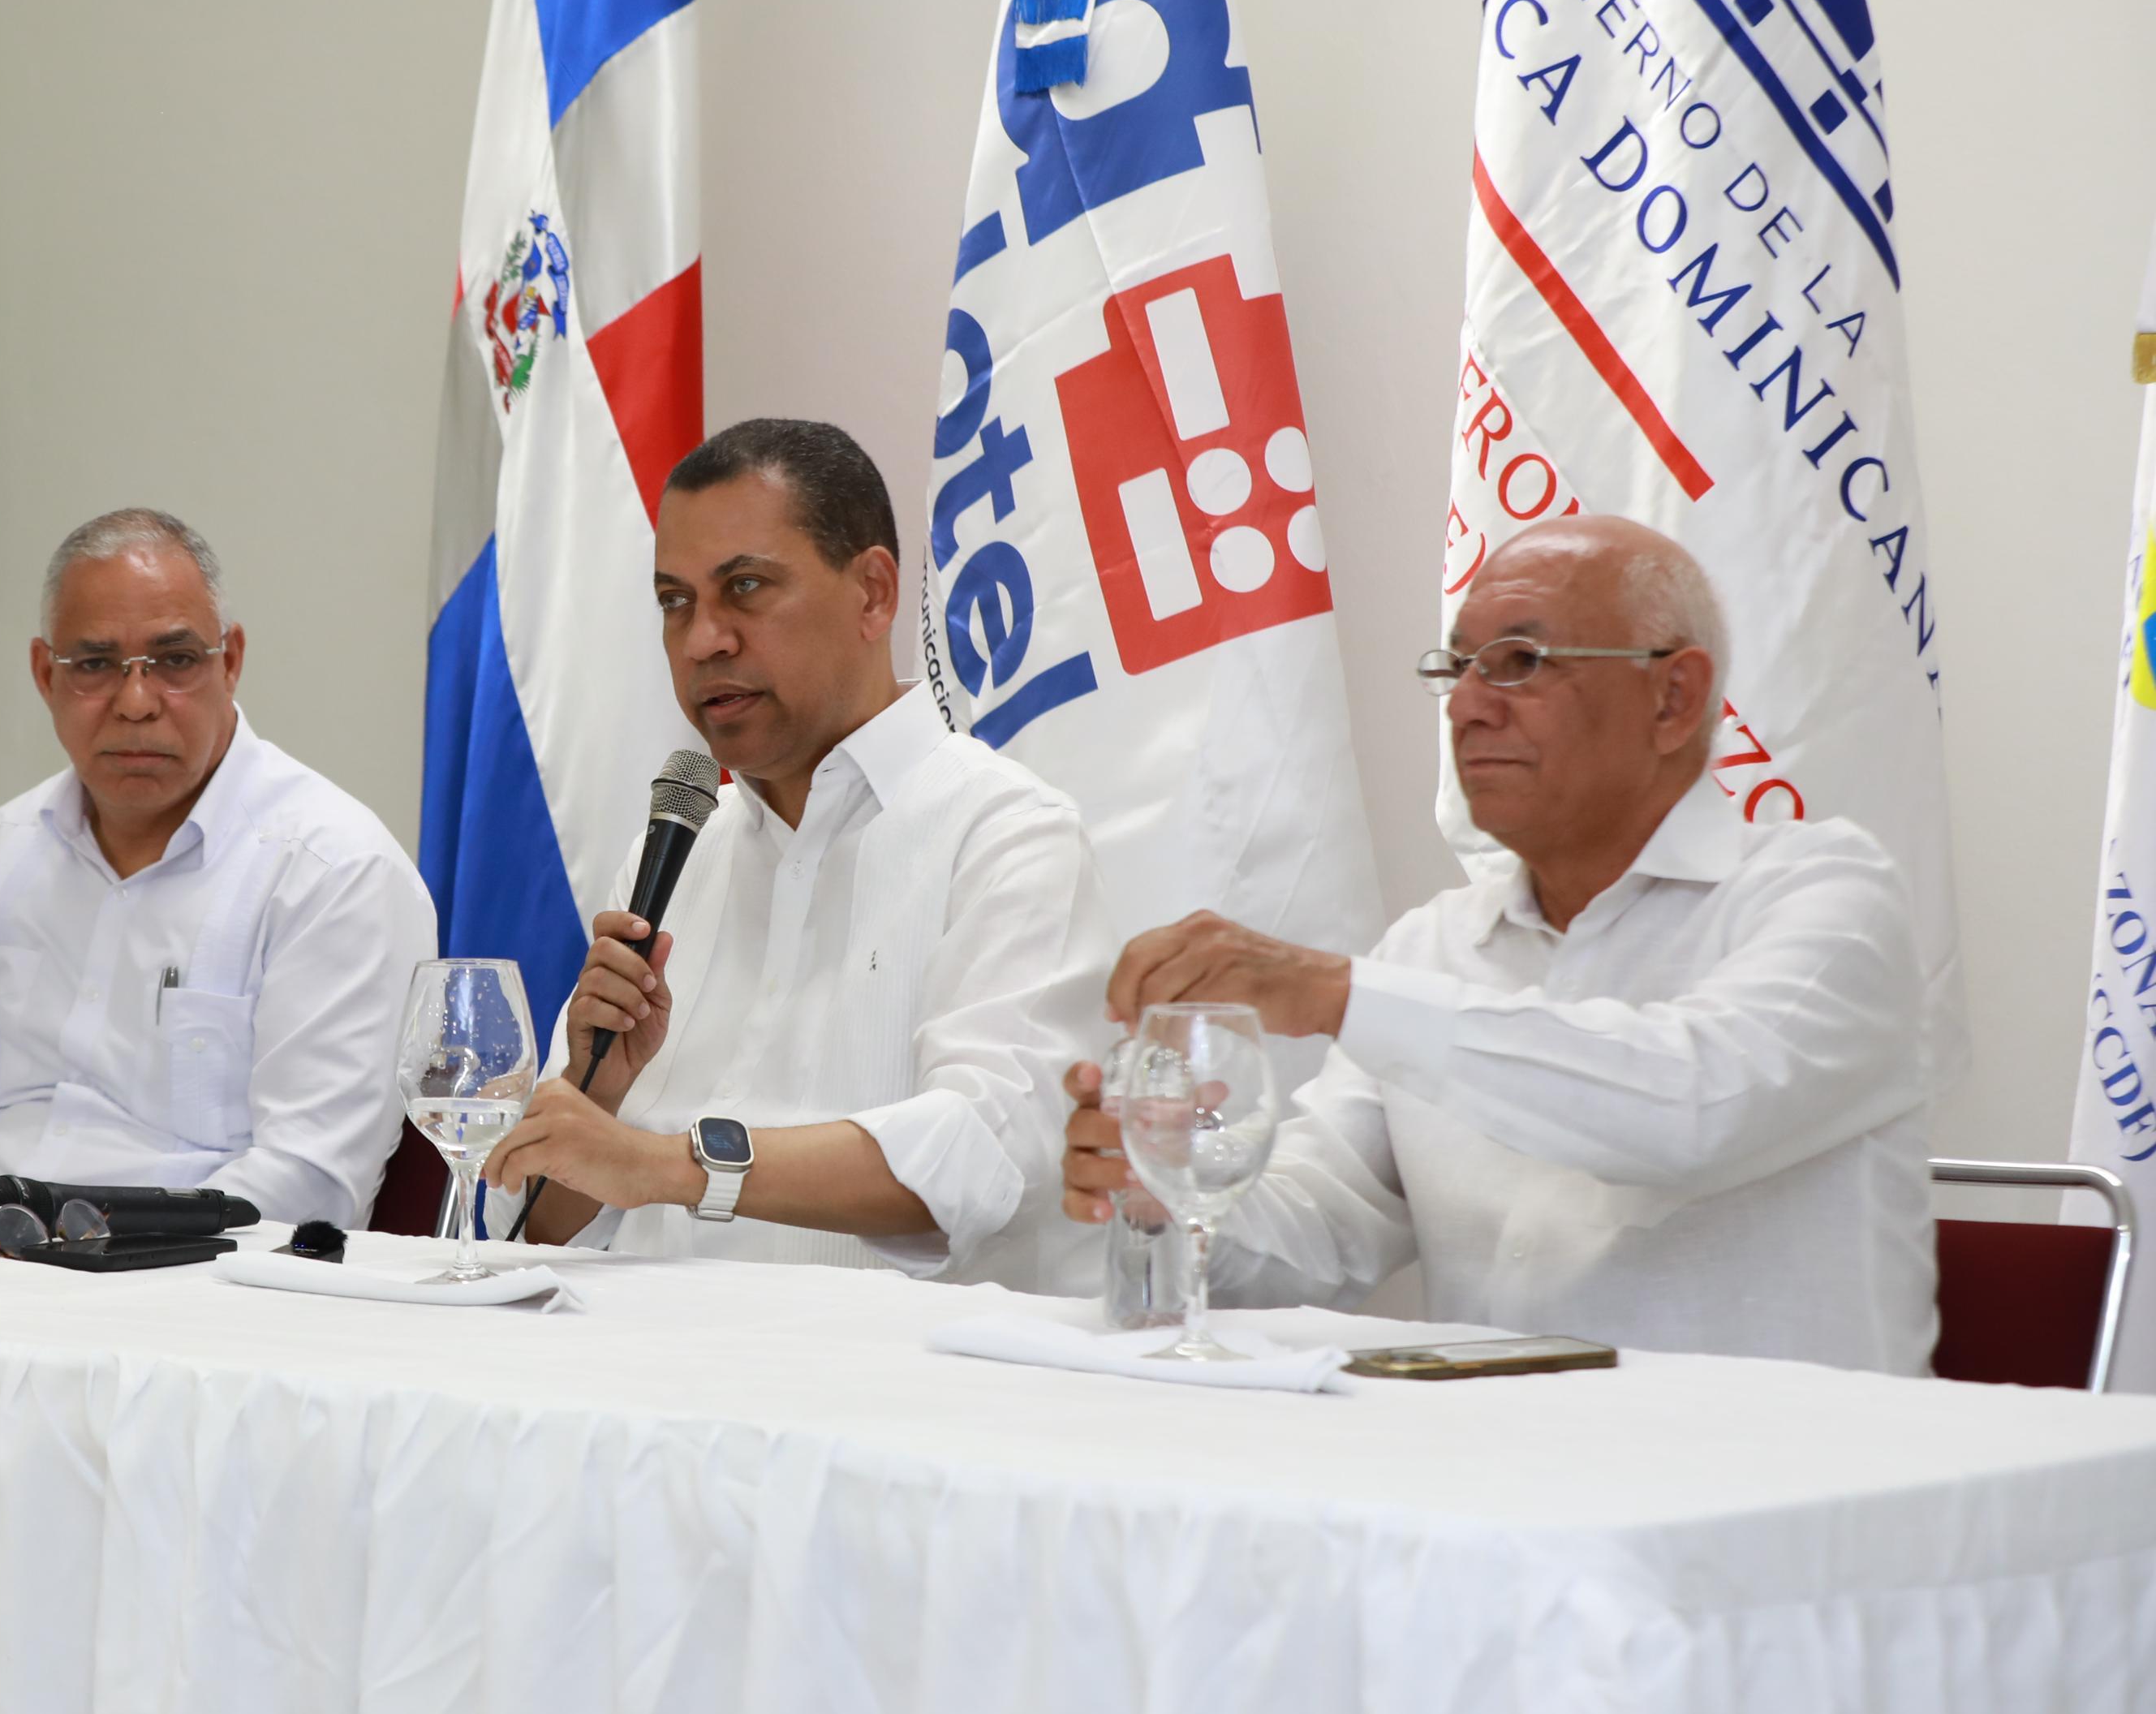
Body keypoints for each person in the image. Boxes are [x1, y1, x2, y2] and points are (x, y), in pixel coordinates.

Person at [1059, 515, 1933, 1371]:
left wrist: (1335, 993)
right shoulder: (1430, 947)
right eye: (1455, 667)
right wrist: (1172, 1191)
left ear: (1672, 697)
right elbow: (1319, 1228)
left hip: (1786, 1483)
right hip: (1499, 1476)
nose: (1467, 708)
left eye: (1518, 664)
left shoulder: (1827, 895)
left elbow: (1688, 1104)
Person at [484, 419, 1117, 1285]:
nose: (703, 638)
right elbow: (535, 1231)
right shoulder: (672, 851)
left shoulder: (1003, 834)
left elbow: (983, 1154)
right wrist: (598, 1101)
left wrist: (664, 1162)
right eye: (675, 601)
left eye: (744, 587)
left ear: (872, 593)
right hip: (639, 1383)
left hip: (876, 1395)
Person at [0, 509, 437, 1225]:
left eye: (174, 661)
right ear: (47, 674)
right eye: (96, 665)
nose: (136, 704)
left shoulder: (332, 870)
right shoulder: (6, 847)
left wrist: (77, 1254)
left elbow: (310, 1181)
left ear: (229, 662)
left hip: (186, 1292)